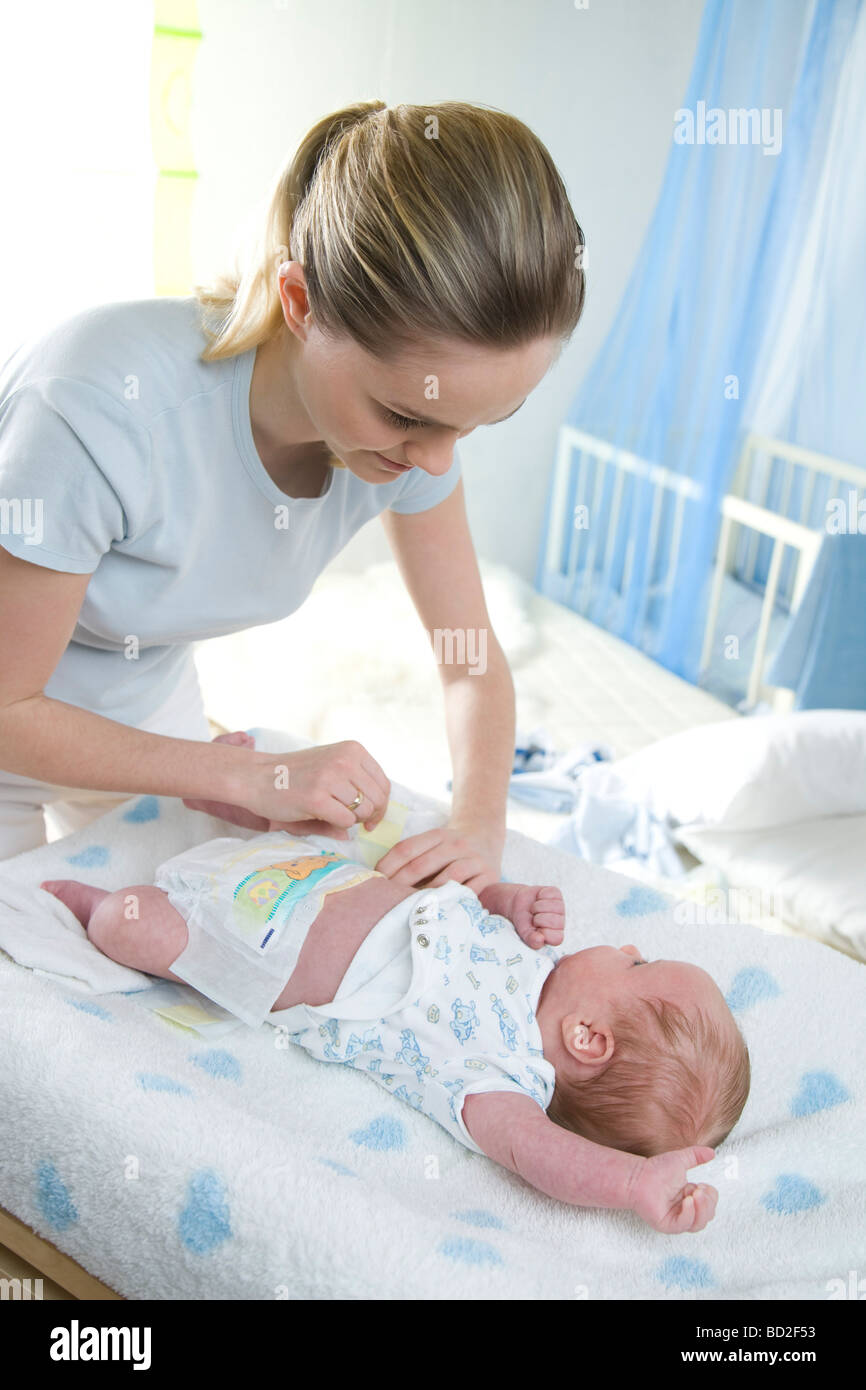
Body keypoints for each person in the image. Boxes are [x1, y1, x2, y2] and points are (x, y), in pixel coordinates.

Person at [0, 100, 585, 885]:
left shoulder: (412, 447)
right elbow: (10, 707)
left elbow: (469, 658)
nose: (438, 464)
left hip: (142, 704)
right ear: (301, 305)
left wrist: (478, 826)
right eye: (407, 415)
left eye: (478, 423)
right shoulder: (100, 404)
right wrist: (247, 776)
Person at [40, 812, 749, 1235]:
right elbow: (461, 903)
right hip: (321, 874)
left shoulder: (499, 1080)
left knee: (141, 930)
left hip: (254, 944)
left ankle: (91, 902)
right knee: (329, 820)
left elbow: (542, 1158)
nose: (625, 946)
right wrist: (505, 898)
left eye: (637, 965)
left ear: (587, 1038)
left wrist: (631, 1185)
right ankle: (230, 802)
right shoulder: (535, 958)